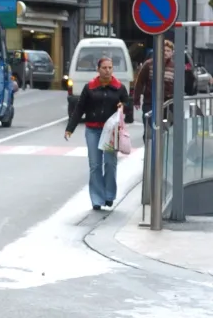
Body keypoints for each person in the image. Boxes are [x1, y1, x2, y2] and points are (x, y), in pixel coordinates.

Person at [65, 56, 131, 211]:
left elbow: (127, 103)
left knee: (110, 163)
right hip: (93, 130)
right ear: (98, 70)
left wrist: (124, 105)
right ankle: (97, 199)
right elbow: (79, 108)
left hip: (111, 132)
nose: (107, 70)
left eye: (110, 68)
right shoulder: (89, 88)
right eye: (104, 68)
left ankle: (109, 195)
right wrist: (70, 128)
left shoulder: (119, 88)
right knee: (95, 165)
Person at [132, 39, 196, 142]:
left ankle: (164, 152)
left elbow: (180, 85)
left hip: (169, 103)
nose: (165, 53)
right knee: (149, 130)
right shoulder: (149, 64)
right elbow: (140, 82)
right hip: (150, 102)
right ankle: (149, 153)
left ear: (172, 53)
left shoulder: (175, 67)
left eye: (168, 51)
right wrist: (136, 99)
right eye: (163, 50)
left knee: (168, 131)